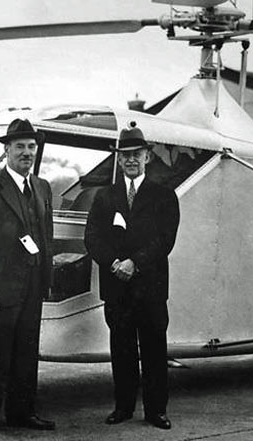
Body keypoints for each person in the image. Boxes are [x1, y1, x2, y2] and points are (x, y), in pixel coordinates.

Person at [84, 121, 180, 430]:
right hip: (118, 290)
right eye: (124, 155)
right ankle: (122, 407)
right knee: (121, 350)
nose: (130, 160)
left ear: (147, 157)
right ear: (118, 159)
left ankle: (156, 412)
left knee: (154, 351)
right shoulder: (104, 197)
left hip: (150, 289)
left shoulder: (164, 196)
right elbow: (92, 238)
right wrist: (114, 263)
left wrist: (134, 264)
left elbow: (164, 240)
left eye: (136, 154)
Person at [0, 118, 55, 437]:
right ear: (7, 151)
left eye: (32, 147)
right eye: (20, 147)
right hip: (0, 287)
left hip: (33, 286)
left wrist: (46, 280)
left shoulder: (42, 187)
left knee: (26, 349)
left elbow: (46, 236)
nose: (27, 153)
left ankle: (21, 412)